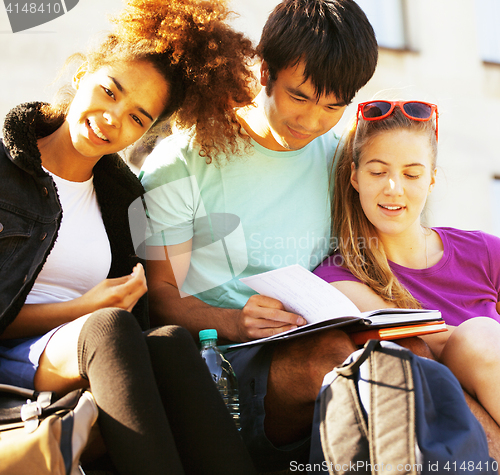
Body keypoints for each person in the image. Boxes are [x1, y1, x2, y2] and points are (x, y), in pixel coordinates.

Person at [0, 0, 258, 474]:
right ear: (83, 74)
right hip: (15, 358)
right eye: (109, 90)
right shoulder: (5, 166)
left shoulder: (122, 196)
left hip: (82, 355)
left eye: (138, 117)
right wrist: (86, 308)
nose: (113, 118)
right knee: (109, 327)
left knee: (171, 343)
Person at [140, 0, 378, 470]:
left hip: (314, 339)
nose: (312, 122)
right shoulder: (181, 159)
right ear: (265, 71)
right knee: (334, 362)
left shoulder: (338, 160)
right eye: (300, 96)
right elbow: (159, 296)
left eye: (333, 106)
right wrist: (233, 322)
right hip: (221, 366)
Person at [313, 99, 500, 454]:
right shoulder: (336, 277)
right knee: (479, 333)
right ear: (354, 176)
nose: (394, 188)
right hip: (432, 443)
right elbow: (430, 341)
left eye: (412, 174)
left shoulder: (485, 252)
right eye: (377, 171)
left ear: (430, 179)